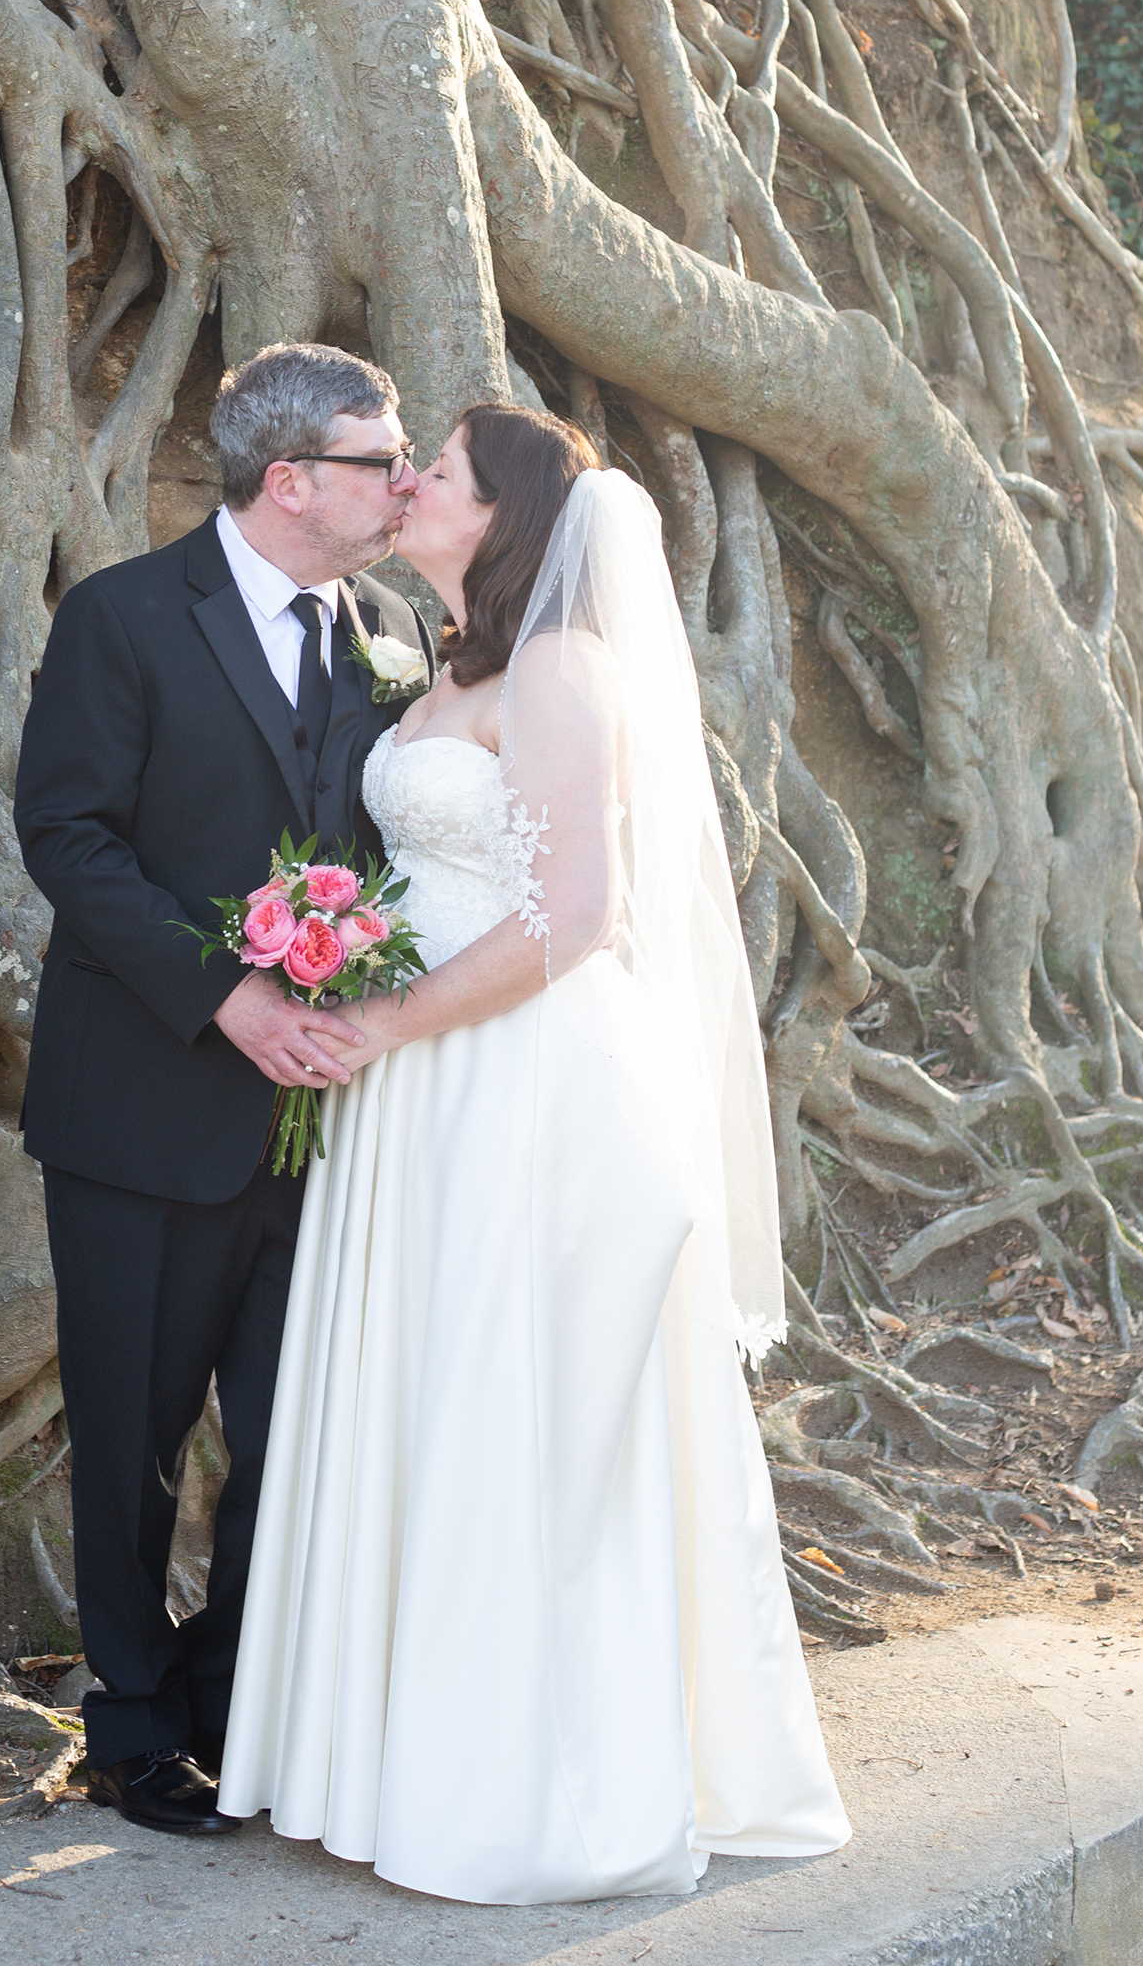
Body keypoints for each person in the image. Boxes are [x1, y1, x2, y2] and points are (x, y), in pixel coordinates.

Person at [217, 403, 851, 1902]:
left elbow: (581, 919)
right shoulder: (449, 670)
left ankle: (528, 1789)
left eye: (438, 468)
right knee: (427, 1395)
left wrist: (395, 1022)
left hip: (526, 1084)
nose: (413, 480)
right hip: (424, 1081)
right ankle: (385, 1764)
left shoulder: (564, 672)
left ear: (502, 516)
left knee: (517, 1406)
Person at [12, 343, 433, 1837]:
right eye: (384, 459)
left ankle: (228, 1701)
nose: (409, 481)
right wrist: (229, 1000)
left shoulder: (391, 630)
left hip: (331, 1123)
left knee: (295, 1429)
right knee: (130, 1435)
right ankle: (127, 1729)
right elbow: (67, 839)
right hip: (144, 1106)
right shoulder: (125, 617)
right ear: (292, 479)